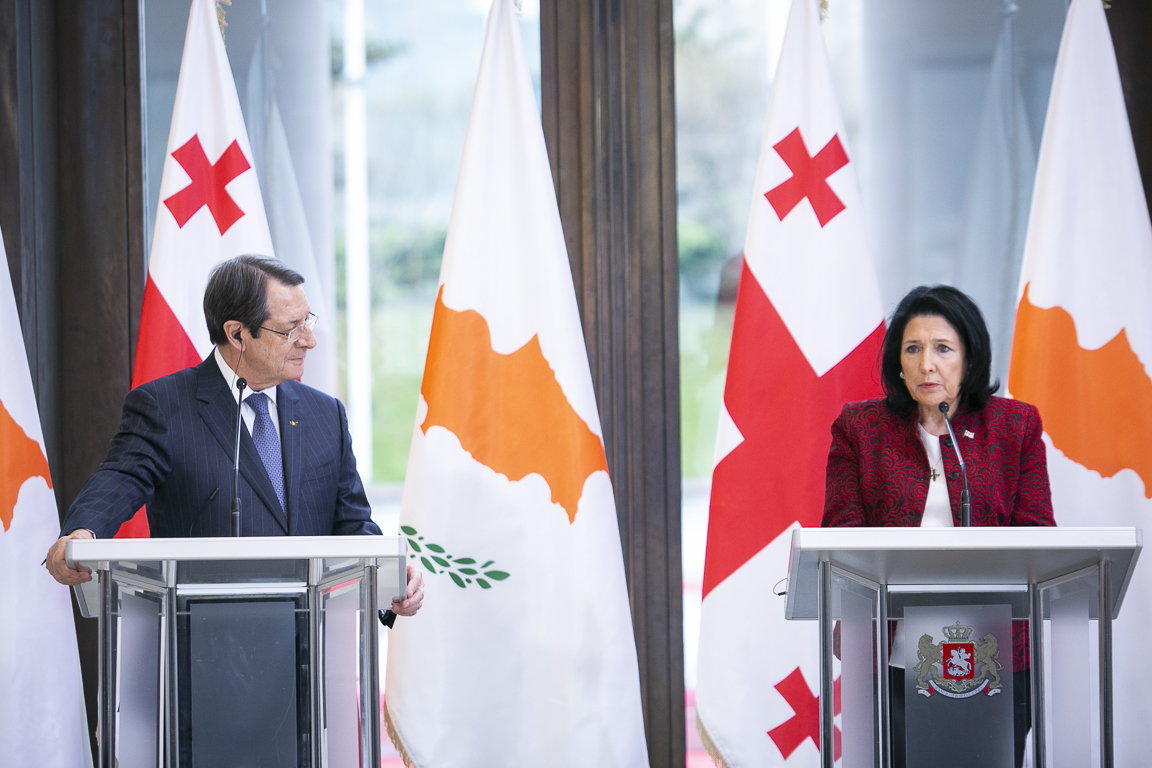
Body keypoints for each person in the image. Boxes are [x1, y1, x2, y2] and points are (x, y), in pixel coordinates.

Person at [46, 255, 423, 619]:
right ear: (237, 334)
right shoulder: (165, 407)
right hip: (205, 639)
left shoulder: (326, 415)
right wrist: (82, 533)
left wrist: (389, 580)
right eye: (290, 328)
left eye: (307, 320)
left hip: (314, 644)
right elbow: (120, 478)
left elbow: (353, 526)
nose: (309, 340)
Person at [822, 285, 1054, 768]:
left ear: (969, 360)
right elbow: (842, 535)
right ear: (899, 364)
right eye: (913, 349)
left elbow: (1038, 535)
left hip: (996, 655)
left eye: (943, 348)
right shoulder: (860, 429)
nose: (927, 364)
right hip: (888, 657)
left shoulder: (1015, 428)